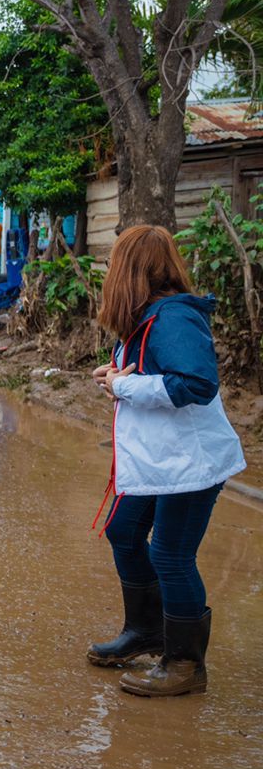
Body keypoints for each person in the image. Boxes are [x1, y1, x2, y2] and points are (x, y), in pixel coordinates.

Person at [87, 224, 245, 697]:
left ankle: (184, 665)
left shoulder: (173, 316)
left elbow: (196, 384)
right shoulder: (149, 316)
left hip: (191, 465)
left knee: (171, 555)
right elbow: (148, 374)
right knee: (124, 530)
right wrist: (114, 375)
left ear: (130, 269)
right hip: (163, 463)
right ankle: (147, 632)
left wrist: (123, 386)